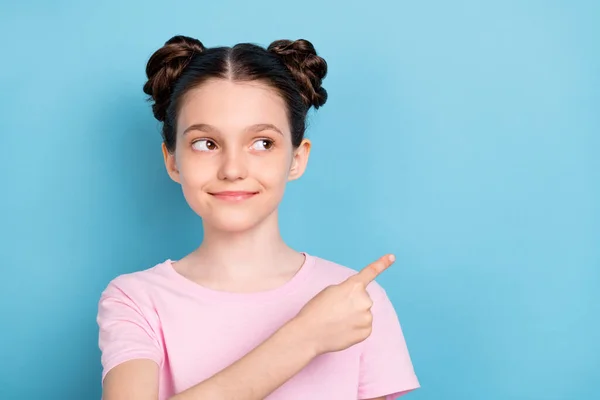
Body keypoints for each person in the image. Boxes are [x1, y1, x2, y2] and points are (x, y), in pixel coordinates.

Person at [97, 35, 420, 400]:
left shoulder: (357, 302)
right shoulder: (136, 299)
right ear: (172, 160)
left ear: (297, 158)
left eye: (262, 143)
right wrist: (305, 337)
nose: (233, 169)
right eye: (206, 143)